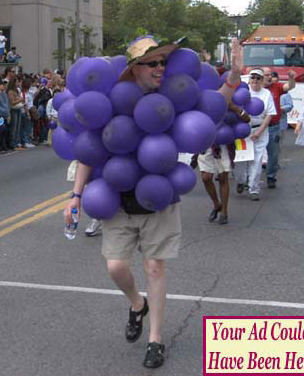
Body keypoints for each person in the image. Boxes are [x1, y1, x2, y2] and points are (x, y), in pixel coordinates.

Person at [63, 36, 244, 369]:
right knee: (116, 267)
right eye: (154, 63)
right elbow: (89, 150)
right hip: (117, 196)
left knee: (155, 267)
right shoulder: (112, 99)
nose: (161, 68)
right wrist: (75, 196)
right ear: (135, 69)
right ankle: (136, 304)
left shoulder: (172, 97)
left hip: (158, 195)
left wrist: (233, 76)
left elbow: (212, 104)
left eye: (164, 62)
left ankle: (156, 339)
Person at [198, 103, 250, 225]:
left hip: (224, 144)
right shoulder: (205, 97)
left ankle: (224, 212)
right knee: (206, 177)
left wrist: (235, 108)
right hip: (206, 142)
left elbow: (247, 119)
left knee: (223, 178)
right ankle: (216, 204)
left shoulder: (231, 100)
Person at [234, 68, 276, 200]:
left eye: (258, 78)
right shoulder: (243, 92)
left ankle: (253, 189)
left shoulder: (266, 94)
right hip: (242, 131)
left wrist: (259, 132)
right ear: (249, 79)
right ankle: (241, 181)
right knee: (241, 161)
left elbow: (269, 114)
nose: (255, 81)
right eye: (253, 78)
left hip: (259, 131)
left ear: (262, 80)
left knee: (256, 162)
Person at [262, 69, 295, 188]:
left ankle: (271, 177)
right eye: (267, 75)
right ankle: (248, 179)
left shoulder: (276, 86)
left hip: (273, 127)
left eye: (270, 74)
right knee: (254, 155)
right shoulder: (254, 88)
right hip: (257, 127)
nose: (270, 77)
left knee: (273, 154)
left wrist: (291, 78)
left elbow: (289, 86)